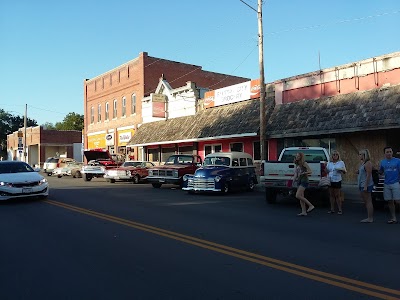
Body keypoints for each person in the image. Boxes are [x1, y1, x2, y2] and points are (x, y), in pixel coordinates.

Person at [379, 147, 400, 224]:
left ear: (392, 152)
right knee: (390, 201)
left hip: (395, 183)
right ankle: (393, 218)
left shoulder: (398, 161)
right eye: (387, 152)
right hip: (387, 184)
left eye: (390, 151)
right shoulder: (383, 162)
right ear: (384, 153)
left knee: (398, 201)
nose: (389, 153)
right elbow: (381, 171)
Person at [326, 150, 347, 214]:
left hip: (337, 180)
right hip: (330, 179)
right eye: (334, 155)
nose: (335, 156)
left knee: (337, 195)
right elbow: (327, 171)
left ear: (338, 156)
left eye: (336, 155)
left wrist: (341, 170)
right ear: (331, 156)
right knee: (331, 195)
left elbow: (344, 171)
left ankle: (340, 209)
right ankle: (332, 209)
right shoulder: (329, 163)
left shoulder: (341, 162)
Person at [357, 149, 374, 223]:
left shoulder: (368, 163)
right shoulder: (362, 163)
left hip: (365, 184)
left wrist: (366, 185)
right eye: (359, 154)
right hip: (361, 184)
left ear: (364, 155)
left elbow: (368, 175)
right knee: (366, 201)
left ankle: (370, 218)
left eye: (360, 154)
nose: (359, 155)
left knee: (368, 201)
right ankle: (369, 217)